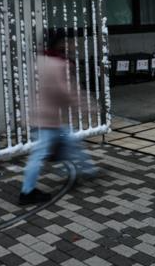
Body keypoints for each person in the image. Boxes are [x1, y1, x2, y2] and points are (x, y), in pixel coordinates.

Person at [19, 30, 99, 205]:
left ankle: (87, 170)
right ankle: (26, 192)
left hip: (42, 117)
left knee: (69, 140)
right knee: (39, 154)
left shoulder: (41, 60)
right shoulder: (57, 64)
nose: (72, 45)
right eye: (68, 41)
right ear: (60, 43)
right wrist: (86, 105)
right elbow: (64, 92)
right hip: (46, 119)